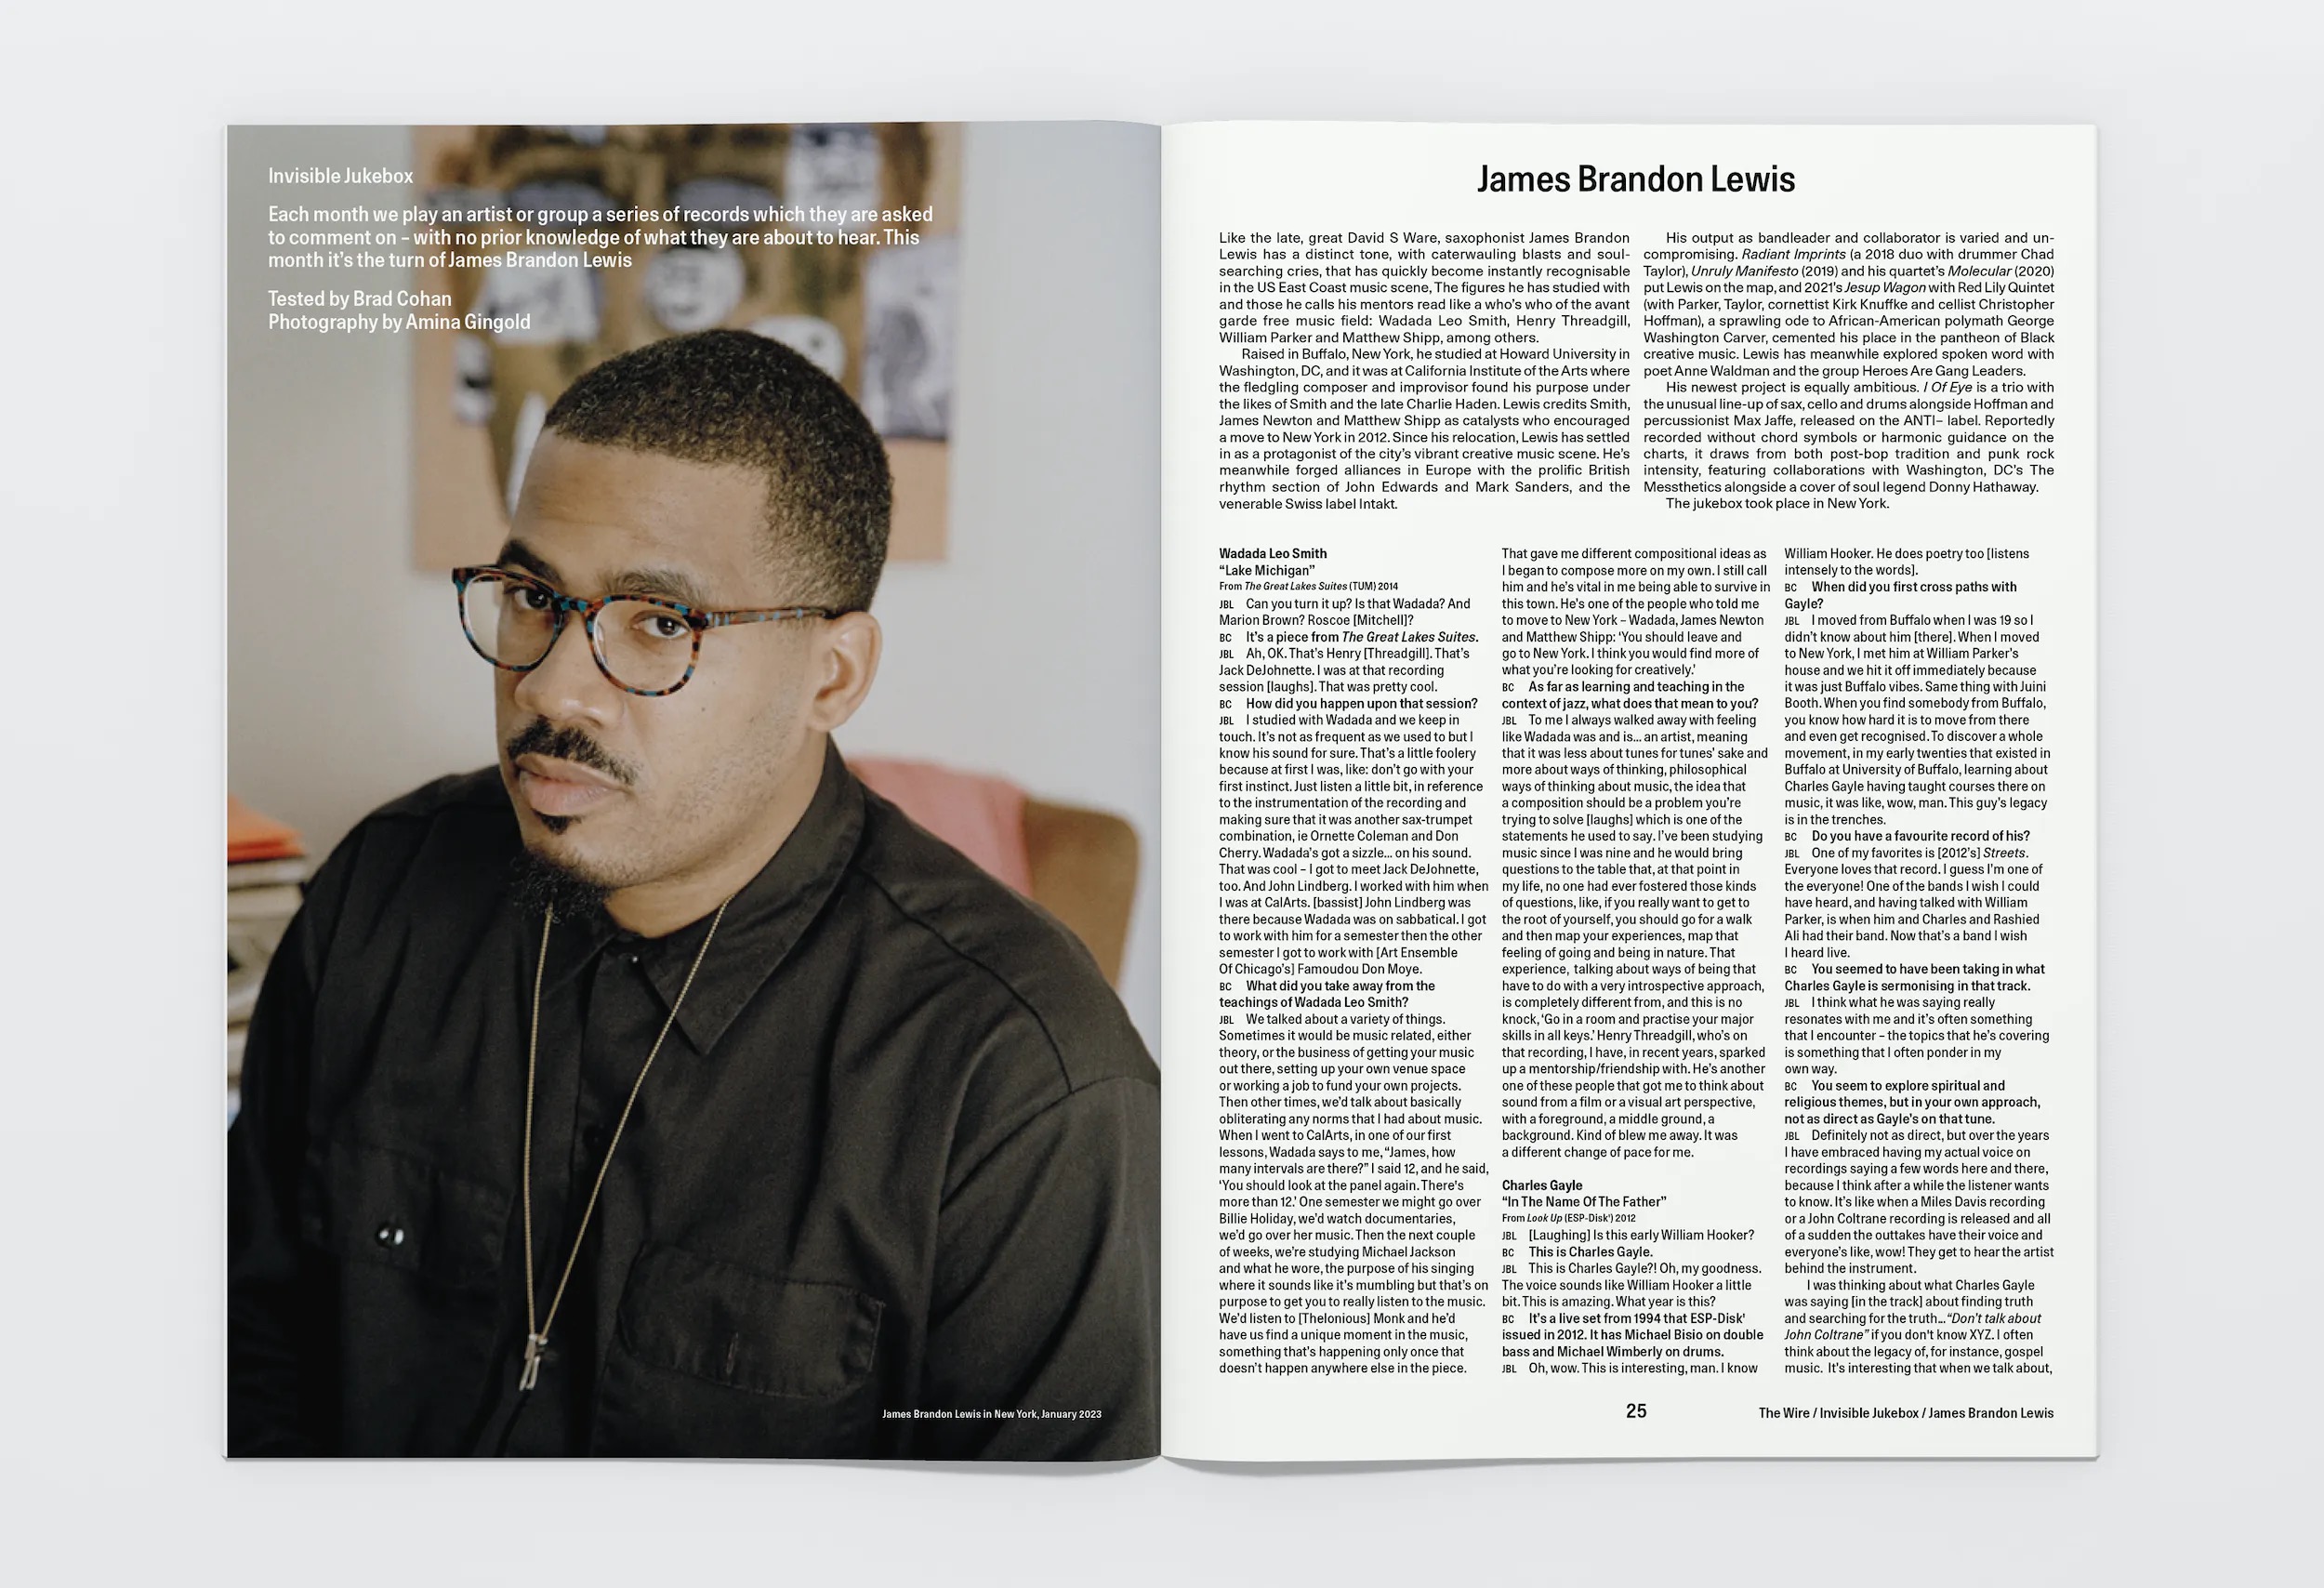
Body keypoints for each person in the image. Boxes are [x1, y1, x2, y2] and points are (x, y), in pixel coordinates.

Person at [228, 329, 1159, 1459]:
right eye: (533, 595)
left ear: (832, 676)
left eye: (660, 623)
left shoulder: (1021, 1080)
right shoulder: (380, 894)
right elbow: (248, 1352)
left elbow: (1041, 1536)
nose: (551, 687)